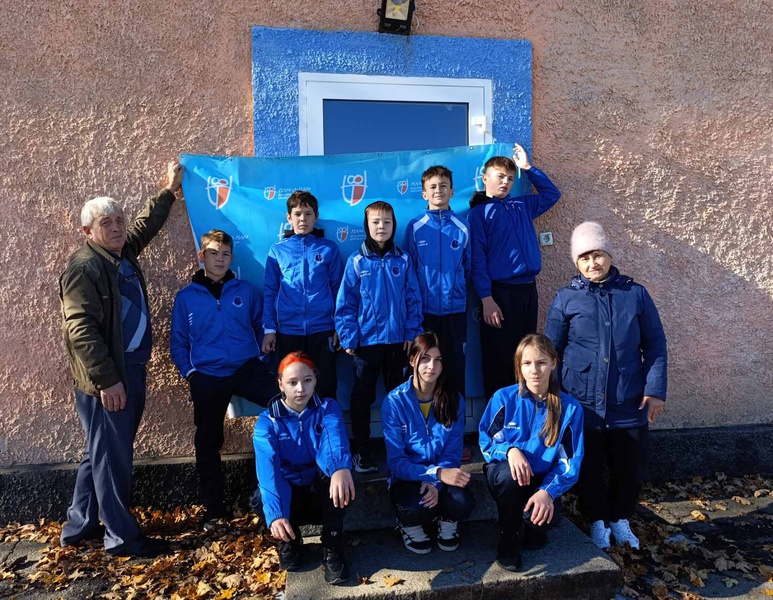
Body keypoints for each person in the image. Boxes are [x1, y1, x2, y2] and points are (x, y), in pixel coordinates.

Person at [59, 162, 183, 557]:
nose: (116, 228)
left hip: (130, 368)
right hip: (109, 377)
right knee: (113, 457)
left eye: (119, 221)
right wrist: (107, 380)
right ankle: (122, 538)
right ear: (87, 231)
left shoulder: (119, 254)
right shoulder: (85, 267)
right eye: (105, 223)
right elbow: (80, 329)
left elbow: (144, 227)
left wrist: (168, 191)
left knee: (99, 452)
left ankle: (79, 526)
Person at [545, 221, 667, 550]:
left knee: (630, 466)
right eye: (584, 258)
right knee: (589, 466)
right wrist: (554, 398)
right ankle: (597, 521)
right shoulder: (566, 298)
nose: (592, 263)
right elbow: (550, 351)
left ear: (609, 255)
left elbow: (655, 343)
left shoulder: (635, 294)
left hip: (628, 400)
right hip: (581, 402)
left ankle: (620, 518)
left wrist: (655, 390)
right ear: (577, 262)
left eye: (597, 255)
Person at [170, 229, 276, 530]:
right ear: (202, 256)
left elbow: (262, 325)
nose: (220, 259)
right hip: (207, 375)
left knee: (285, 405)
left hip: (245, 367)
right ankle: (215, 510)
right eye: (213, 253)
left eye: (225, 254)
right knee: (207, 440)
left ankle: (284, 492)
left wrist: (261, 355)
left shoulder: (245, 291)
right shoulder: (186, 298)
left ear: (232, 258)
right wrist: (190, 373)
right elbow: (178, 342)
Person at [479, 334, 584, 572]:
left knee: (540, 530)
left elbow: (569, 462)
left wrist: (548, 491)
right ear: (519, 366)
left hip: (542, 479)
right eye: (527, 363)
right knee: (509, 477)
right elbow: (486, 441)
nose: (534, 370)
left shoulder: (570, 408)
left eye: (541, 362)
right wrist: (510, 450)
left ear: (554, 363)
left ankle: (532, 525)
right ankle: (508, 538)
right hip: (508, 475)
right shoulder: (503, 398)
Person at [252, 352, 355, 585]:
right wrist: (276, 514)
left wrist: (339, 467)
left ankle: (332, 544)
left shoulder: (327, 407)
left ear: (315, 380)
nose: (301, 389)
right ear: (281, 384)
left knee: (341, 480)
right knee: (260, 498)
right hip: (291, 493)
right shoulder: (267, 422)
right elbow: (268, 470)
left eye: (307, 380)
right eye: (292, 382)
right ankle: (290, 539)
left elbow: (333, 439)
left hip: (319, 491)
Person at [335, 201, 423, 474]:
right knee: (362, 396)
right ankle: (362, 450)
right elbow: (346, 303)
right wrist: (349, 337)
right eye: (375, 222)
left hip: (397, 342)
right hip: (367, 343)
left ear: (393, 225)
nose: (381, 227)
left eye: (386, 222)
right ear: (367, 226)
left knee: (400, 395)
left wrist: (411, 332)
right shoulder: (357, 261)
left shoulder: (403, 259)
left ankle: (401, 448)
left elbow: (413, 298)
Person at [468, 144, 561, 400]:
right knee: (499, 359)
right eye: (500, 176)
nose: (505, 182)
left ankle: (525, 410)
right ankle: (499, 417)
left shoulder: (522, 205)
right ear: (485, 178)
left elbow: (552, 194)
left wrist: (527, 168)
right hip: (500, 294)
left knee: (527, 356)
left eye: (510, 178)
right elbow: (477, 259)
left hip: (528, 290)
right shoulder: (479, 213)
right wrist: (486, 298)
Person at [381, 332, 476, 554]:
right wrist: (436, 474)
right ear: (412, 360)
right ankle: (408, 525)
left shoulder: (454, 400)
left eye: (438, 360)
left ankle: (447, 520)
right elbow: (397, 462)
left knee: (463, 503)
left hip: (441, 474)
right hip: (408, 477)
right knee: (413, 507)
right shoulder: (394, 402)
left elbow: (452, 454)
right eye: (425, 358)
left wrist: (436, 482)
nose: (431, 366)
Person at [402, 166, 473, 462]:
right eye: (433, 186)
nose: (438, 190)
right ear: (424, 193)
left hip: (455, 314)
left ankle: (454, 440)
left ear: (452, 191)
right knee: (422, 375)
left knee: (453, 373)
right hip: (425, 315)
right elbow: (408, 273)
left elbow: (468, 268)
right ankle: (421, 439)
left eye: (444, 185)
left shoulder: (462, 226)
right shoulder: (415, 227)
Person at [261, 191, 344, 399]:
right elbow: (270, 291)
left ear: (316, 217)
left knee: (325, 385)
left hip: (323, 329)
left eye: (308, 214)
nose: (303, 219)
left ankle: (326, 421)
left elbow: (339, 290)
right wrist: (269, 329)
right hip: (288, 331)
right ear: (289, 217)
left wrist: (339, 326)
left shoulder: (328, 248)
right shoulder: (277, 250)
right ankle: (295, 422)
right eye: (297, 214)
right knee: (292, 389)